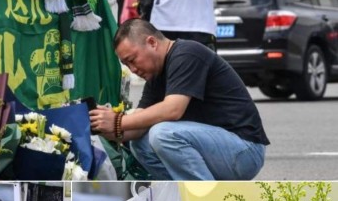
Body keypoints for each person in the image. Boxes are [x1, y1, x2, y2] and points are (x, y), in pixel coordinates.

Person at [89, 19, 269, 180]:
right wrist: (101, 126)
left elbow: (173, 110)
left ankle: (204, 199)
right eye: (127, 65)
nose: (132, 69)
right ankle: (181, 195)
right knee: (139, 143)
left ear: (151, 43)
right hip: (218, 151)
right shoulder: (155, 75)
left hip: (245, 150)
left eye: (132, 60)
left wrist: (118, 121)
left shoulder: (187, 53)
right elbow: (135, 128)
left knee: (163, 134)